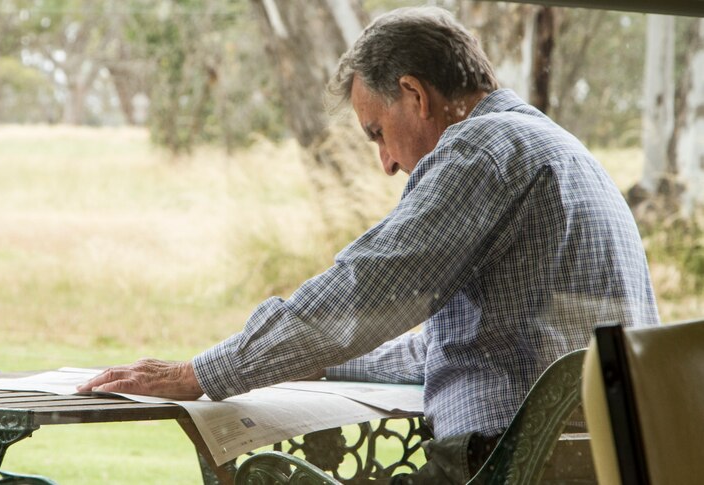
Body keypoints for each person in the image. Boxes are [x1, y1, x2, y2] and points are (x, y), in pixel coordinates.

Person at [79, 6, 659, 483]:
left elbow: (361, 295)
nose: (386, 163)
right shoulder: (551, 146)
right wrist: (307, 365)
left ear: (414, 94)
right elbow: (458, 344)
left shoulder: (480, 151)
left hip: (511, 466)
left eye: (378, 133)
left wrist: (200, 373)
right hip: (599, 457)